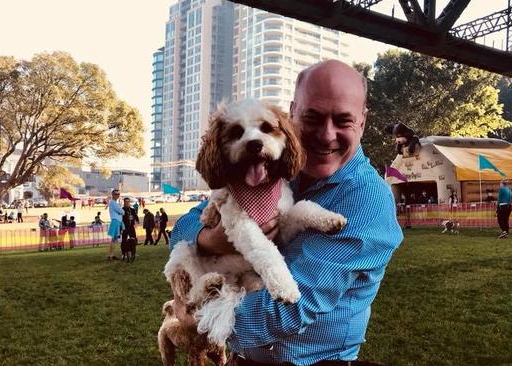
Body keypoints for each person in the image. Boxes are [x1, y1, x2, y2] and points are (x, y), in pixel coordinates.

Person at [170, 60, 402, 364]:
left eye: (343, 121)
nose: (326, 135)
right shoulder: (264, 168)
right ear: (292, 113)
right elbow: (185, 225)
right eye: (313, 118)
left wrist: (200, 320)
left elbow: (292, 307)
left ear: (362, 121)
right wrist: (210, 239)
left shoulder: (367, 199)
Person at [121, 197, 139, 262]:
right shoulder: (122, 210)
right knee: (124, 241)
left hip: (131, 227)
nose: (127, 203)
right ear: (124, 202)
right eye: (126, 202)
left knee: (133, 239)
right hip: (125, 227)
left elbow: (136, 216)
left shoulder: (132, 210)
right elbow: (121, 219)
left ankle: (133, 253)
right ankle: (124, 254)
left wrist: (137, 221)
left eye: (128, 202)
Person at [107, 189, 123, 260]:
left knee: (114, 240)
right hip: (115, 221)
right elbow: (121, 211)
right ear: (112, 195)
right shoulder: (113, 202)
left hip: (116, 221)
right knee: (113, 240)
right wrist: (122, 211)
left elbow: (120, 211)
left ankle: (112, 255)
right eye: (116, 194)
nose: (117, 195)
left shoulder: (113, 202)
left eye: (118, 194)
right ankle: (111, 255)